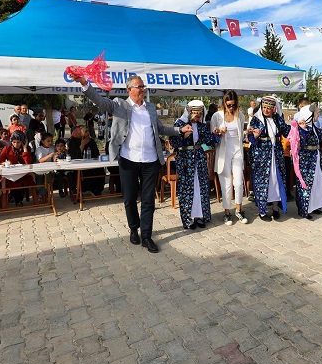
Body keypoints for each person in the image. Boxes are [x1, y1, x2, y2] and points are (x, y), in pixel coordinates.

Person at [72, 74, 189, 253]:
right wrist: (84, 84)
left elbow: (161, 129)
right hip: (128, 160)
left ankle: (147, 236)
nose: (143, 90)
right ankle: (134, 228)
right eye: (139, 87)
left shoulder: (150, 107)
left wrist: (179, 130)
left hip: (150, 161)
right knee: (129, 198)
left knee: (148, 200)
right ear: (130, 89)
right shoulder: (120, 105)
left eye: (143, 87)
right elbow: (100, 102)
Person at [169, 101, 215, 229]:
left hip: (199, 158)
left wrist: (215, 134)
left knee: (201, 186)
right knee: (187, 189)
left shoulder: (201, 125)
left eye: (200, 114)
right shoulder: (180, 123)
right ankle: (188, 218)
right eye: (195, 114)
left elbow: (208, 140)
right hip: (185, 160)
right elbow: (173, 142)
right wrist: (183, 135)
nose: (197, 117)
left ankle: (200, 216)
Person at [288, 105, 322, 219]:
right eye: (315, 114)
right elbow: (300, 142)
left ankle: (314, 206)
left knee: (317, 182)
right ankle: (305, 209)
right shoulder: (300, 128)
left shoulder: (313, 127)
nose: (317, 115)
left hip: (316, 158)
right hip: (306, 160)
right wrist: (303, 129)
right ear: (309, 115)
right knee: (306, 184)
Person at [247, 96, 290, 221]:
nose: (266, 110)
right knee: (262, 183)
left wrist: (297, 126)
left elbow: (287, 131)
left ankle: (275, 208)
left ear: (273, 109)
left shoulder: (277, 119)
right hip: (261, 157)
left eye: (269, 108)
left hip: (276, 155)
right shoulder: (256, 119)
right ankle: (262, 210)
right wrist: (253, 135)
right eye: (264, 107)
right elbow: (249, 139)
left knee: (276, 181)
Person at [210, 90, 248, 225]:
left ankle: (239, 209)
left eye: (233, 105)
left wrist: (246, 132)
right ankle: (227, 212)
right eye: (228, 105)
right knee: (225, 183)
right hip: (223, 152)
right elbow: (211, 138)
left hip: (237, 151)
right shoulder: (217, 116)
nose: (231, 108)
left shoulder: (240, 115)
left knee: (238, 182)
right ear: (224, 104)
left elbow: (241, 135)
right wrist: (218, 132)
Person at [0, 130, 34, 207]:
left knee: (24, 181)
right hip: (11, 173)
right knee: (12, 182)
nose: (16, 144)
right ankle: (16, 199)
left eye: (18, 142)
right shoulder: (7, 148)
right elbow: (0, 161)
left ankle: (18, 200)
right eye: (14, 142)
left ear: (23, 141)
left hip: (23, 173)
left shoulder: (27, 148)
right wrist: (5, 163)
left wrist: (24, 149)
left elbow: (28, 162)